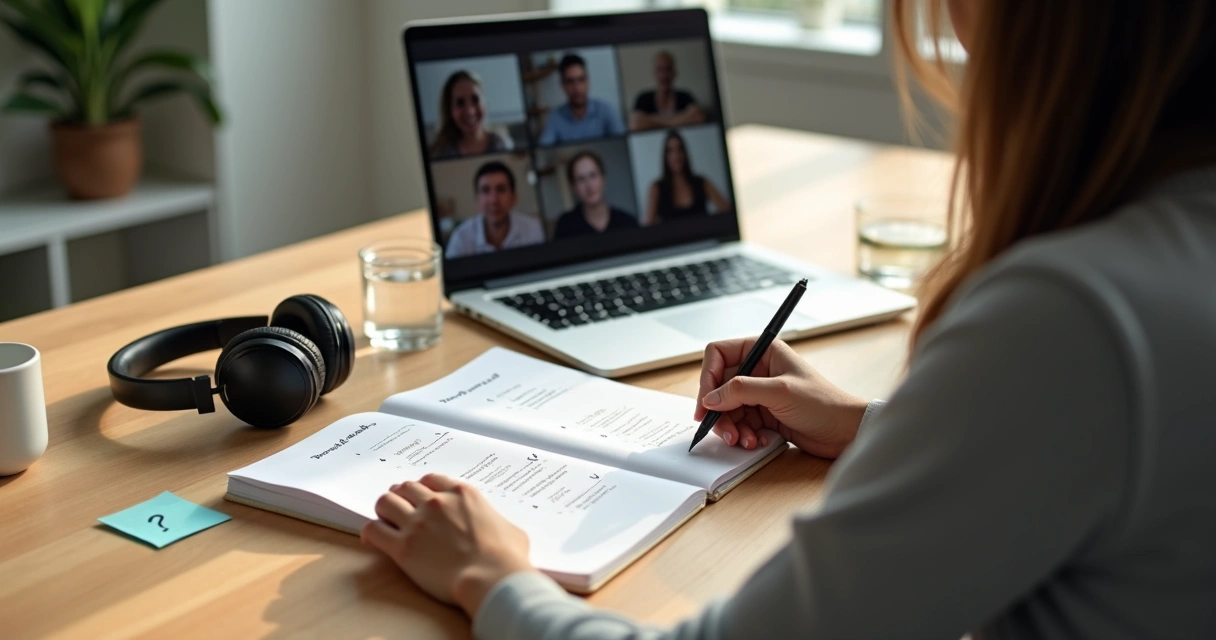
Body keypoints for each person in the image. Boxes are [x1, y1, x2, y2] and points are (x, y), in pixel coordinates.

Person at [363, 1, 1216, 638]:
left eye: (961, 34)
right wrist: (868, 425)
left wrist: (495, 577)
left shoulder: (1070, 321)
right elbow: (1093, 452)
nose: (958, 65)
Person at [444, 161, 544, 258]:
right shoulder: (460, 238)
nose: (493, 200)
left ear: (514, 198)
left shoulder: (535, 230)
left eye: (501, 189)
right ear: (477, 199)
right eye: (485, 190)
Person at [644, 130, 732, 226]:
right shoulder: (656, 188)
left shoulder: (701, 182)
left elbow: (727, 211)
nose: (676, 156)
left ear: (685, 153)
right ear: (665, 156)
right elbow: (649, 228)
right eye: (670, 151)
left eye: (679, 149)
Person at [537, 53, 626, 145]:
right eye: (570, 82)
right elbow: (545, 143)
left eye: (581, 80)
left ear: (588, 82)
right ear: (563, 86)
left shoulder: (606, 110)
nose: (577, 88)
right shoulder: (555, 116)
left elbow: (624, 142)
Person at [553, 150, 639, 239]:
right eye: (581, 179)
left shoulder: (627, 223)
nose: (589, 186)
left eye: (593, 175)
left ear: (603, 178)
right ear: (573, 187)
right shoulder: (565, 226)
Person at [429, 70, 513, 159]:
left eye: (475, 99)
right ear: (449, 110)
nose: (470, 111)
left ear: (485, 102)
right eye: (460, 103)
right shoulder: (441, 153)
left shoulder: (501, 144)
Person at [629, 50, 706, 132]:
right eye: (660, 70)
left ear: (674, 72)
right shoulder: (643, 98)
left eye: (668, 69)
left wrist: (652, 120)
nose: (664, 75)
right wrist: (677, 120)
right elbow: (635, 124)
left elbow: (698, 117)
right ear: (654, 74)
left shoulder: (685, 96)